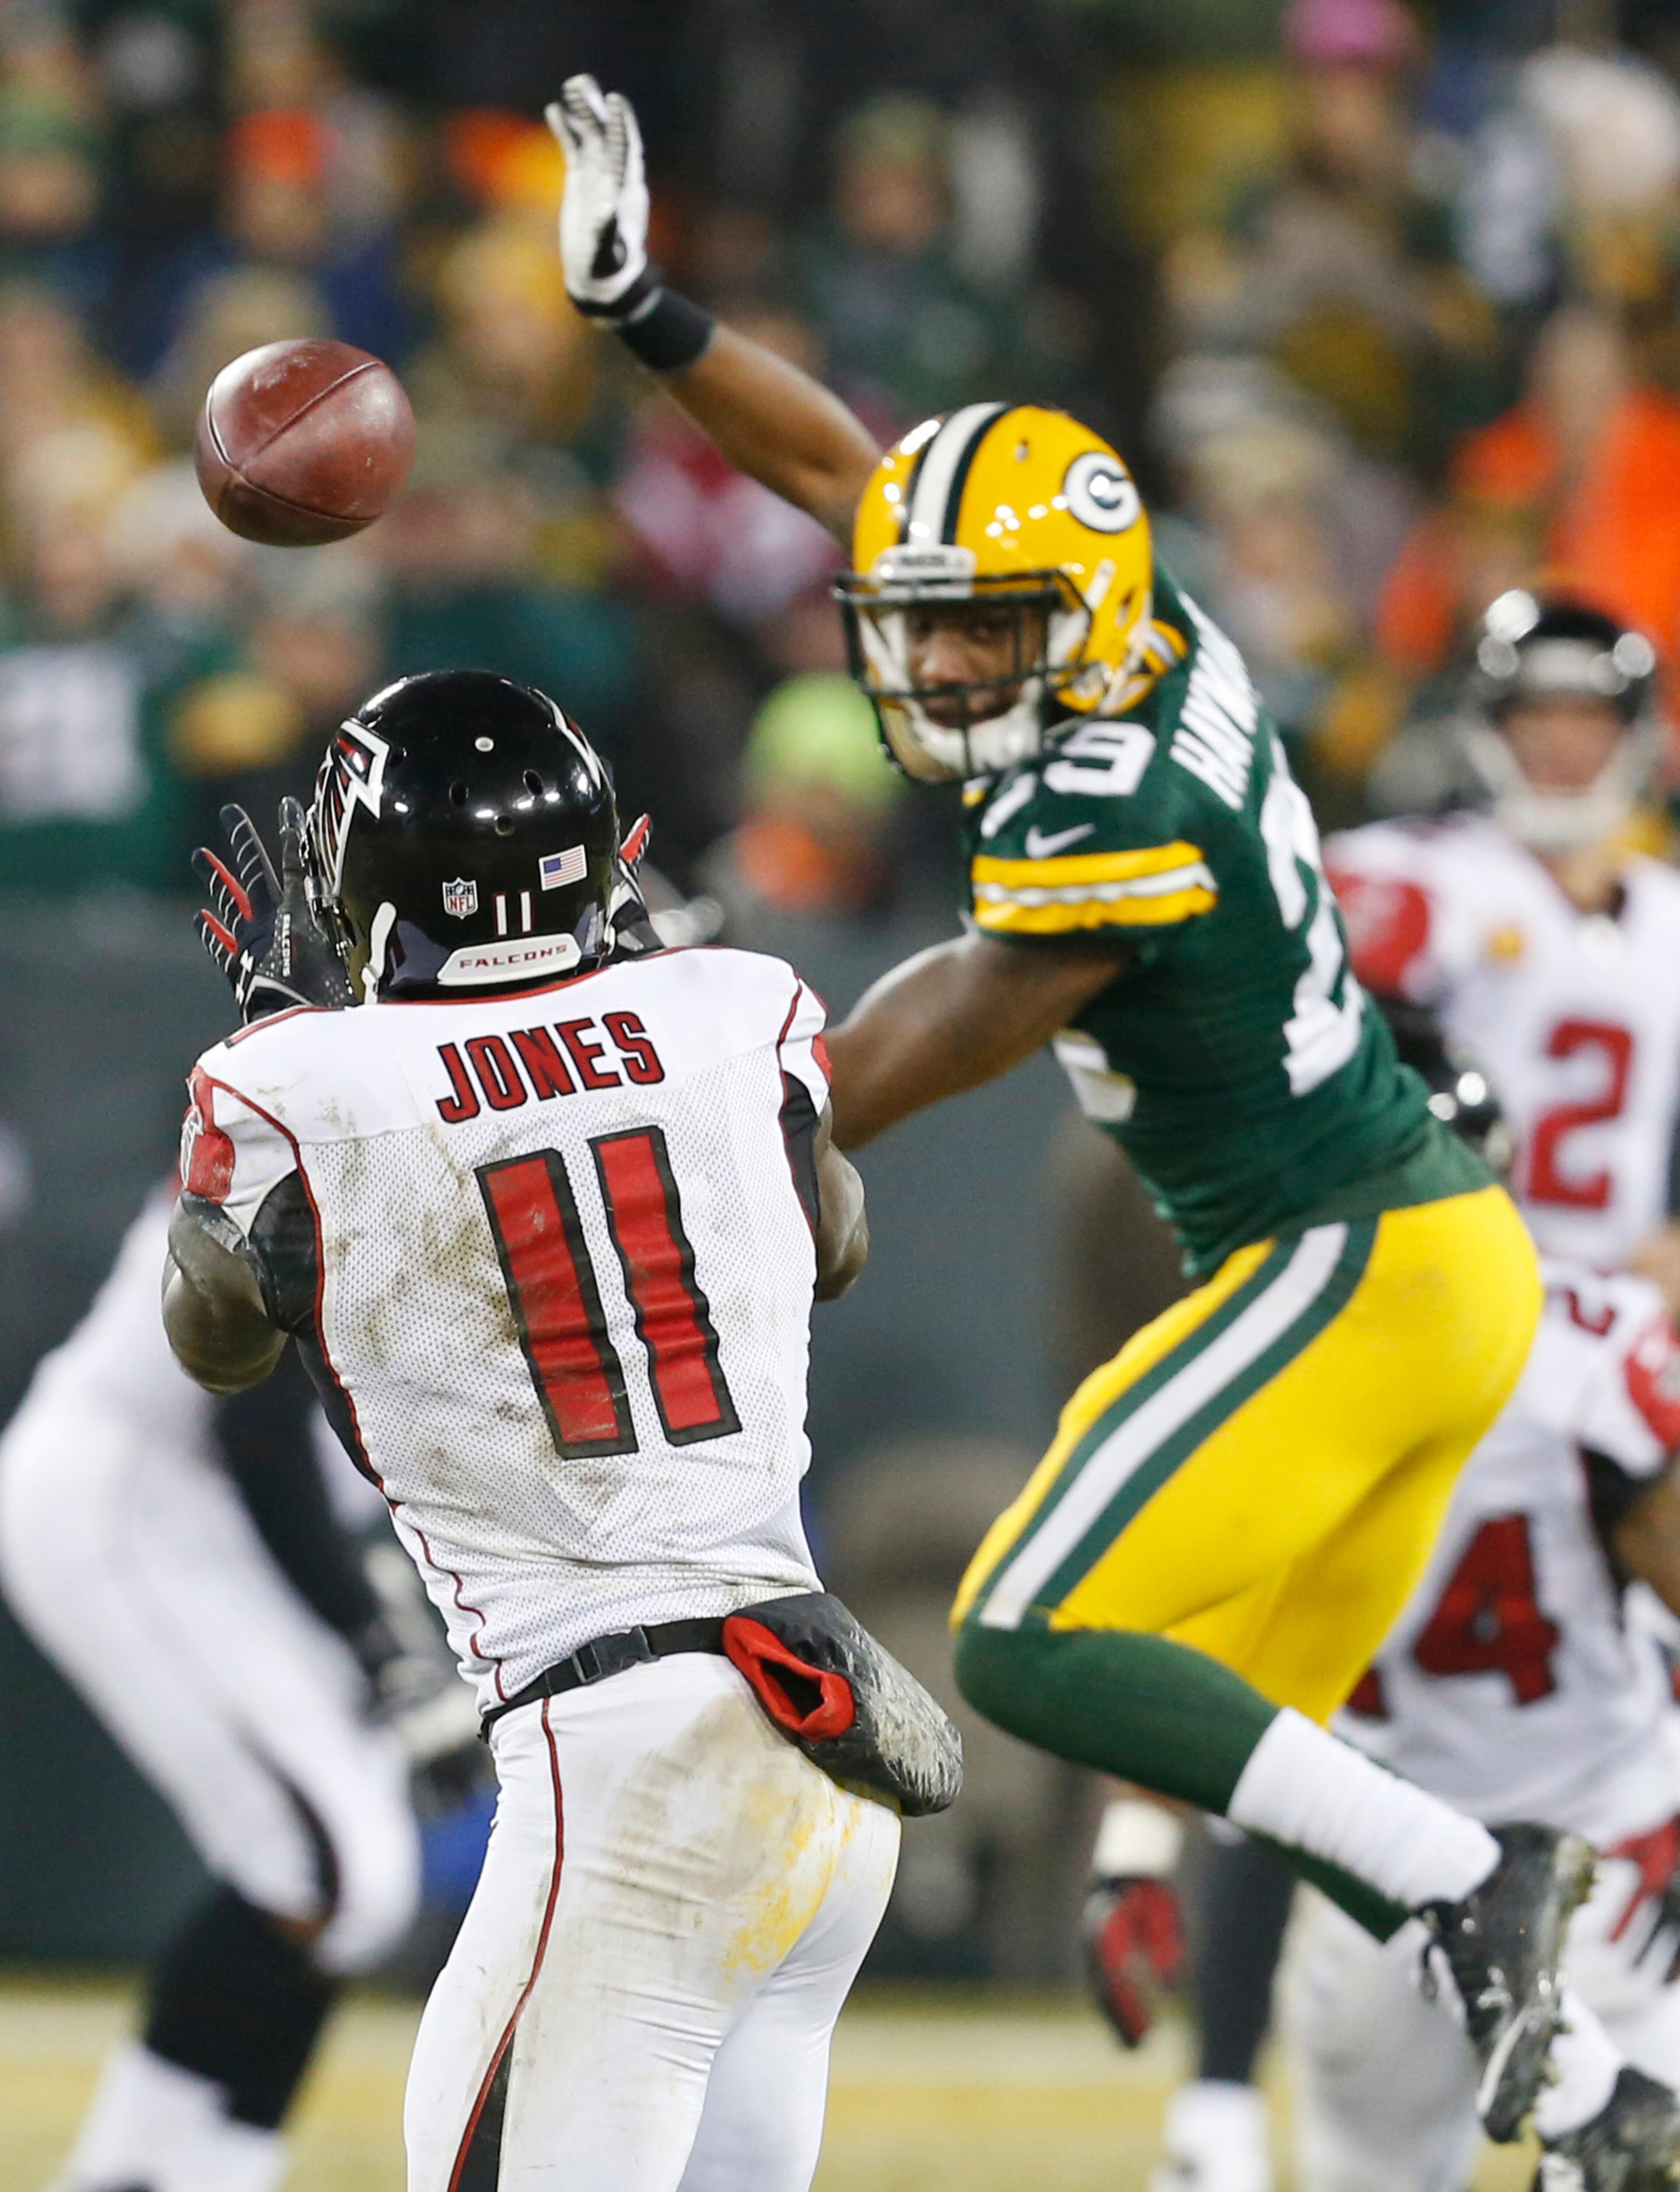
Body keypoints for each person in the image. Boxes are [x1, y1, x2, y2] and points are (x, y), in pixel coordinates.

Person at [542, 73, 1680, 2175]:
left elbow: (953, 1019)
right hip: (1408, 1261)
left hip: (1355, 1262)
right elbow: (857, 478)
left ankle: (1482, 1892)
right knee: (1284, 1764)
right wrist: (655, 320)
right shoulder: (1131, 629)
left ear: (1070, 615)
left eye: (983, 627)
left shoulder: (1108, 798)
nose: (943, 658)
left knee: (1028, 1635)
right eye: (936, 620)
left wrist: (711, 1052)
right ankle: (1599, 2067)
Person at [166, 671, 948, 2192]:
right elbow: (831, 1237)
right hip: (813, 1740)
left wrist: (283, 1041)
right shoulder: (741, 1005)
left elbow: (217, 1342)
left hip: (619, 1749)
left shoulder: (297, 1082)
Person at [0, 1185, 430, 2192]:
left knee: (364, 1883)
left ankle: (213, 2170)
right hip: (132, 1486)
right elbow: (260, 1431)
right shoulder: (330, 1140)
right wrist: (373, 1640)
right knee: (317, 1863)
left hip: (218, 1507)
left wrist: (393, 1641)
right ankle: (129, 2172)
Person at [1327, 592, 1680, 1299]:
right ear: (1490, 727)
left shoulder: (1667, 914)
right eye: (1537, 714)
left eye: (1589, 717)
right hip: (1446, 1283)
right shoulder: (1436, 876)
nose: (1561, 741)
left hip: (1610, 1309)